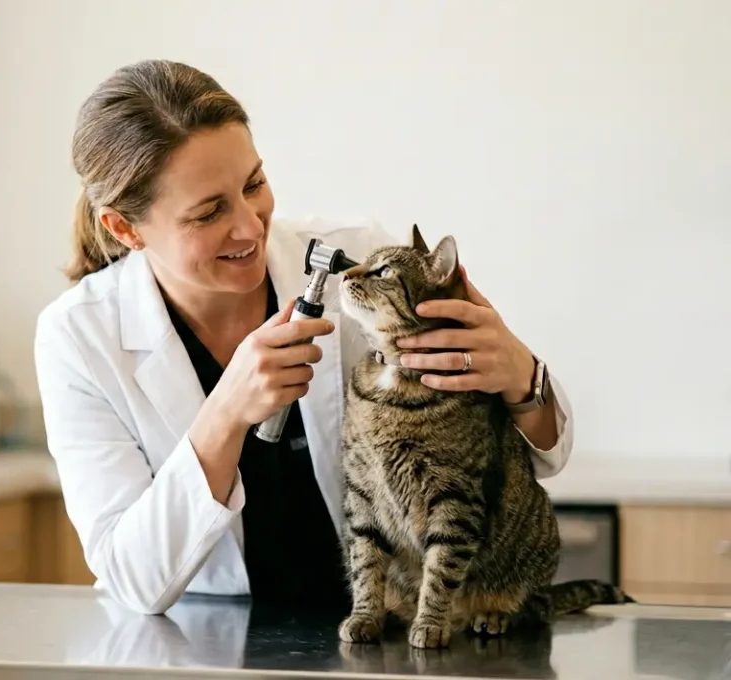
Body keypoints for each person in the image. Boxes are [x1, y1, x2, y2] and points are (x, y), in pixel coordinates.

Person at [32, 59, 574, 616]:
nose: (250, 226)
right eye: (209, 212)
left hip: (375, 619)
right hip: (198, 633)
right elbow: (134, 581)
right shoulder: (78, 337)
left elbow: (532, 457)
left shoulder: (357, 258)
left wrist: (520, 377)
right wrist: (225, 415)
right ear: (124, 228)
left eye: (254, 185)